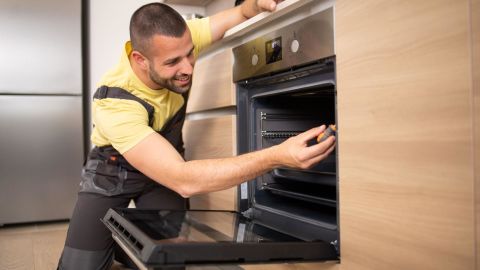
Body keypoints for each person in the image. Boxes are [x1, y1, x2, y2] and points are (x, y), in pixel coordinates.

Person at [57, 0, 336, 269]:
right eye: (173, 62)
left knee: (172, 258)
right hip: (113, 172)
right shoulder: (116, 103)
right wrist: (276, 156)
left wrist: (257, 3)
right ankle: (111, 242)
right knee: (80, 266)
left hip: (163, 172)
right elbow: (184, 180)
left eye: (190, 53)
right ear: (140, 60)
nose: (188, 68)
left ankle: (122, 241)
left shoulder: (179, 41)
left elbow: (240, 12)